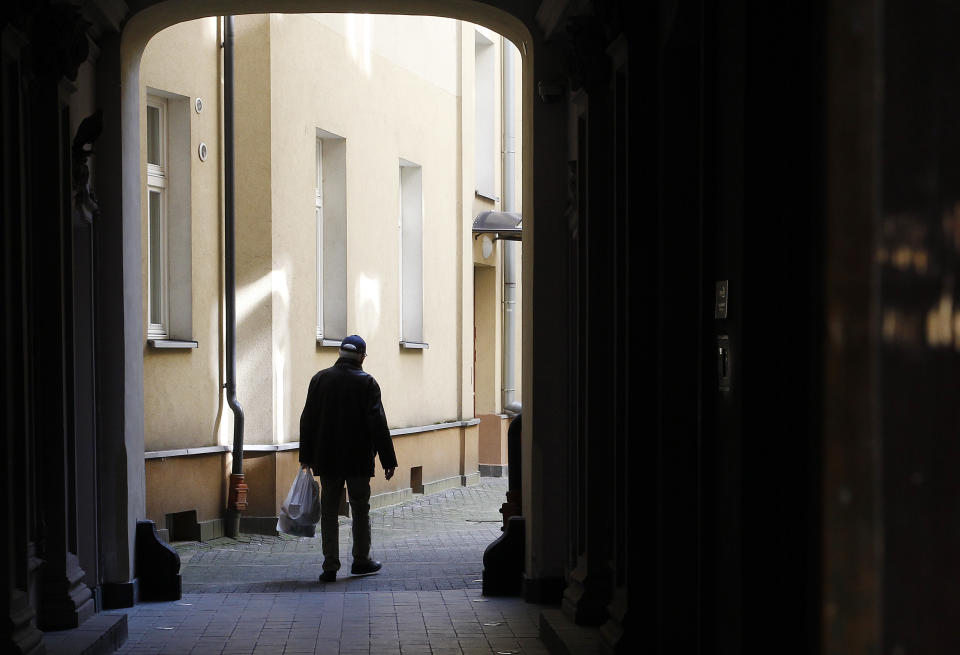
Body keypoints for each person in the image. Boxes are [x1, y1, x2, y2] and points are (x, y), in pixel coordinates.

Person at [298, 335, 398, 583]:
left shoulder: (319, 379)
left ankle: (330, 566)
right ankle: (361, 561)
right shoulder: (367, 383)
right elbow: (377, 423)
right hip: (358, 459)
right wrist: (388, 460)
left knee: (329, 511)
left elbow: (307, 419)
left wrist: (306, 457)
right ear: (362, 357)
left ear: (340, 354)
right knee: (360, 508)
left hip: (327, 458)